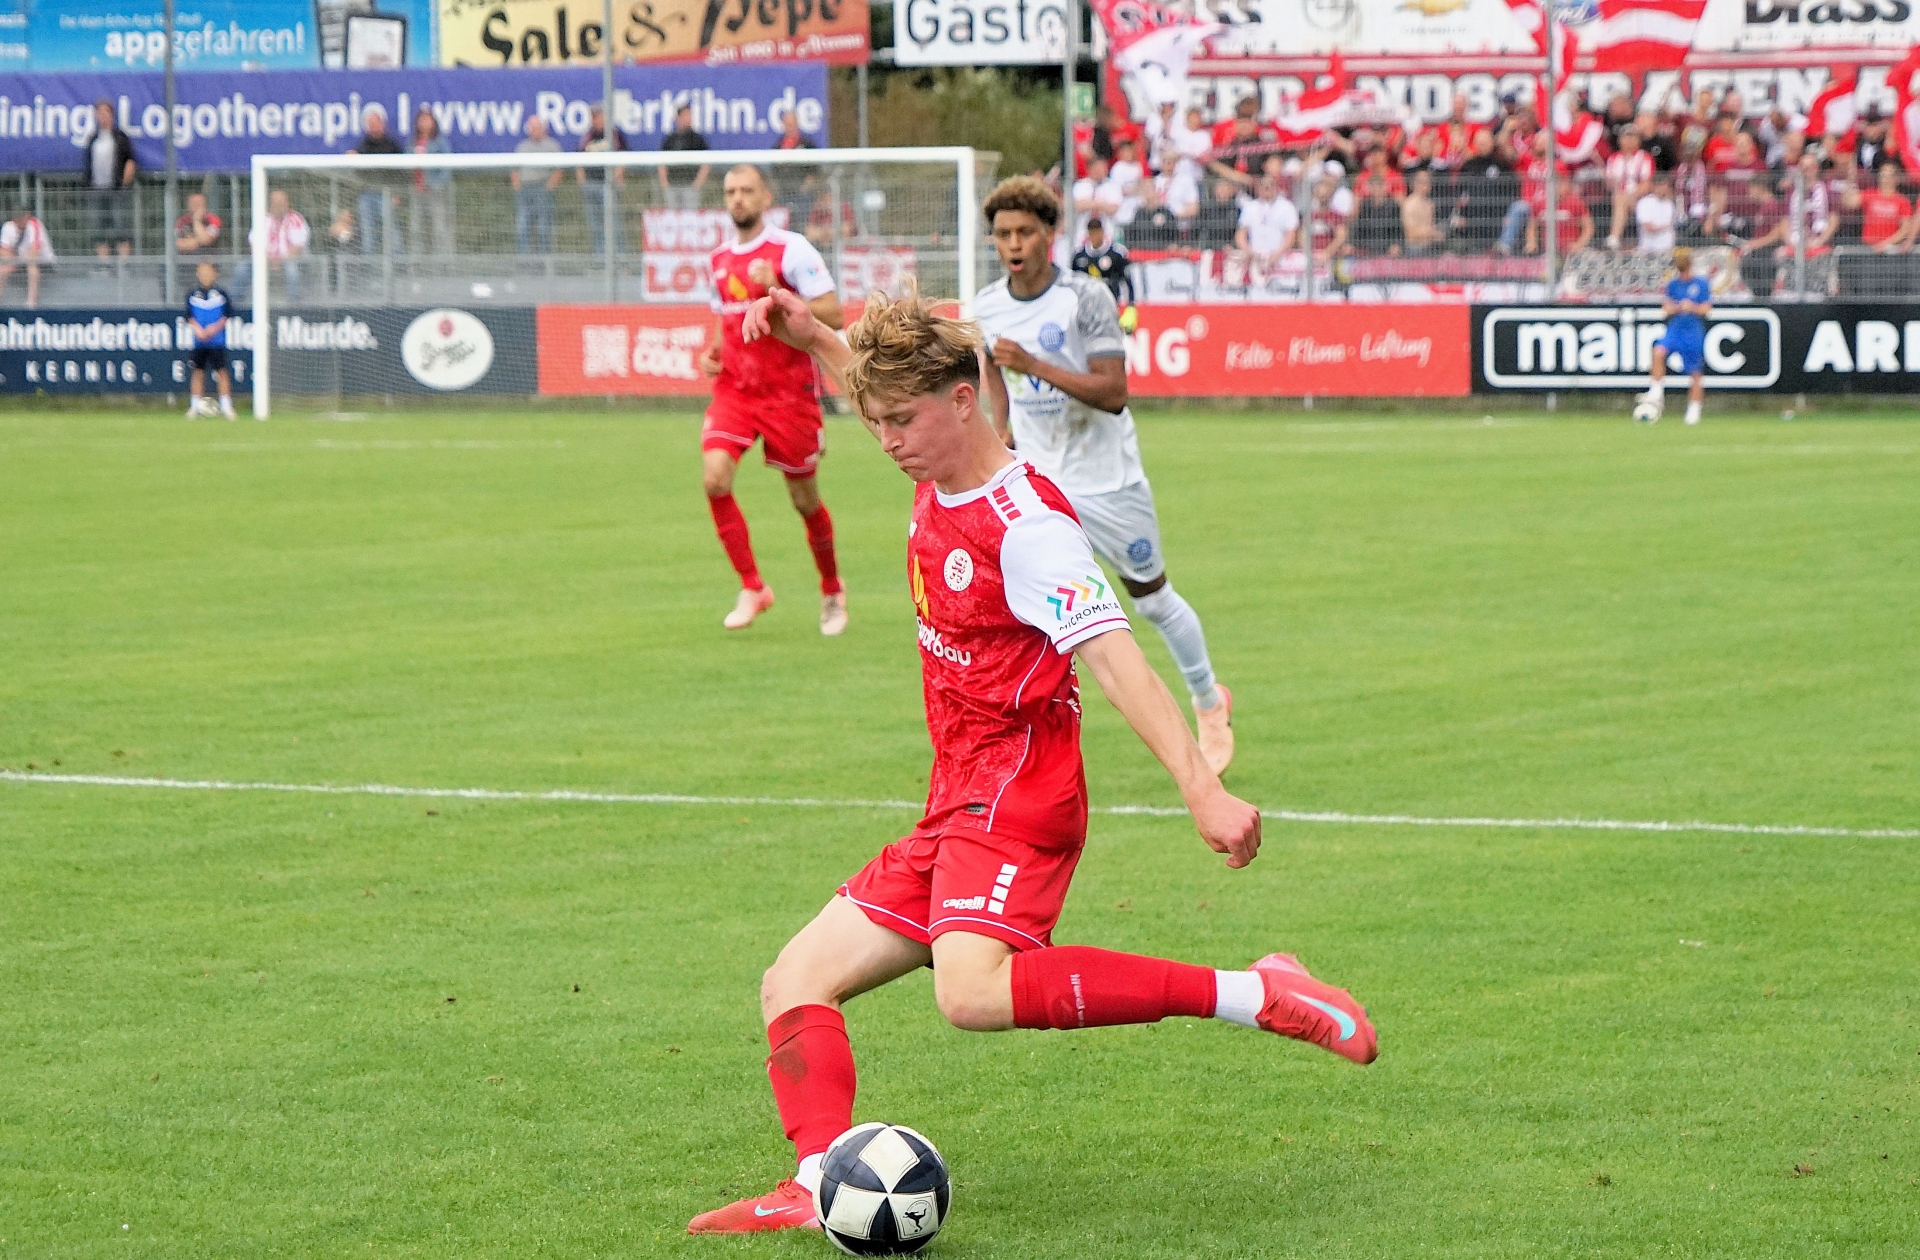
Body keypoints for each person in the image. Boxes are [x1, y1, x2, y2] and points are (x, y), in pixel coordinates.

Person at [682, 284, 1376, 1236]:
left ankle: (1259, 992)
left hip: (1019, 794)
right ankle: (817, 1181)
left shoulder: (1028, 530)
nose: (885, 440)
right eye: (876, 420)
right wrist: (815, 337)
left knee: (969, 993)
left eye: (901, 421)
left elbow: (1116, 658)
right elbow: (879, 387)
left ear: (964, 399)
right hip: (955, 800)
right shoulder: (938, 465)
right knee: (793, 979)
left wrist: (1203, 789)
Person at [974, 177, 1237, 774]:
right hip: (1038, 482)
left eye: (1025, 232)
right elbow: (994, 368)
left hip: (1106, 477)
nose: (1013, 244)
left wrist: (1034, 364)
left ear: (1049, 234)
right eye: (1003, 234)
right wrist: (1002, 427)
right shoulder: (986, 305)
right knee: (1023, 608)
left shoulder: (1085, 299)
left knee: (1153, 600)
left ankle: (1208, 700)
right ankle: (1024, 741)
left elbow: (1114, 393)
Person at [697, 165, 848, 634]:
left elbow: (833, 312)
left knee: (804, 500)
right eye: (730, 192)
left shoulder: (791, 250)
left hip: (789, 394)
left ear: (766, 198)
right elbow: (726, 318)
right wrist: (714, 353)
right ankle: (752, 587)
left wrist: (776, 289)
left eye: (746, 190)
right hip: (736, 391)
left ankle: (831, 590)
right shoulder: (718, 260)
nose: (737, 199)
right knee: (715, 479)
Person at [1636, 246, 1711, 426]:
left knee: (1695, 373)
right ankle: (1656, 391)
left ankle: (1694, 410)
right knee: (1658, 352)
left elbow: (1706, 309)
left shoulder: (1701, 284)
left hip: (1692, 331)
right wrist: (1678, 307)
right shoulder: (1673, 284)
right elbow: (1666, 308)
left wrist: (1692, 307)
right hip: (1675, 329)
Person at [81, 99, 136, 258]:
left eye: (105, 112)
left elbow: (130, 160)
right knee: (98, 229)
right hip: (96, 189)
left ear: (111, 115)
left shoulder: (120, 137)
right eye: (99, 113)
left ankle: (124, 266)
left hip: (115, 189)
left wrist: (124, 180)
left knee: (121, 227)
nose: (102, 116)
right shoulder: (93, 138)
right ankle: (104, 264)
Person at [184, 260, 237, 420]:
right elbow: (189, 316)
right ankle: (194, 406)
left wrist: (213, 329)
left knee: (221, 371)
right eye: (202, 272)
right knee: (198, 372)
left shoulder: (221, 294)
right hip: (199, 341)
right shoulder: (192, 294)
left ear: (214, 274)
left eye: (208, 272)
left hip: (216, 341)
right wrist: (198, 330)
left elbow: (226, 316)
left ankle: (226, 406)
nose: (205, 275)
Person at [348, 109, 403, 253]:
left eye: (375, 123)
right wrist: (353, 159)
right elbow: (358, 172)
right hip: (366, 194)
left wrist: (396, 193)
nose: (373, 126)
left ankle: (399, 259)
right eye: (370, 124)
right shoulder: (362, 145)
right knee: (367, 230)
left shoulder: (392, 145)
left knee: (391, 228)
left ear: (382, 124)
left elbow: (400, 172)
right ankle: (368, 260)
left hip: (386, 194)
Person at [576, 103, 629, 254]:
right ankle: (600, 258)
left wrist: (615, 177)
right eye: (594, 117)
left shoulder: (614, 135)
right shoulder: (587, 136)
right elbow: (579, 160)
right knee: (595, 224)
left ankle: (620, 256)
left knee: (615, 223)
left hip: (609, 185)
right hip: (591, 185)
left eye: (599, 116)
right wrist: (582, 182)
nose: (597, 119)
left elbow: (624, 158)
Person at [512, 117, 563, 254]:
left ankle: (544, 260)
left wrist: (548, 187)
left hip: (542, 189)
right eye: (531, 128)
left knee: (544, 226)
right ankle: (525, 261)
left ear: (543, 129)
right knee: (522, 225)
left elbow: (558, 169)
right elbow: (514, 169)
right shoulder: (522, 147)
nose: (534, 131)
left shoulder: (552, 146)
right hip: (525, 190)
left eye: (536, 128)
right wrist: (517, 187)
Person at [408, 107, 454, 256]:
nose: (425, 123)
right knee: (416, 227)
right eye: (422, 120)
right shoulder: (412, 143)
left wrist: (437, 184)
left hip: (435, 191)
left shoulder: (440, 142)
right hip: (417, 190)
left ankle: (442, 260)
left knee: (439, 227)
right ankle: (416, 260)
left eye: (428, 119)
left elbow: (447, 167)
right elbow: (405, 162)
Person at [248, 189, 309, 301]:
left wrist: (279, 261)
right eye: (275, 202)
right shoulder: (262, 220)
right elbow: (254, 244)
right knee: (242, 267)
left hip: (293, 260)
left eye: (281, 202)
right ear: (270, 203)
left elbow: (297, 247)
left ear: (287, 203)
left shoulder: (296, 219)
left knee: (291, 269)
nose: (279, 205)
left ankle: (293, 304)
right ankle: (234, 303)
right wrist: (267, 260)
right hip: (266, 260)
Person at [1071, 217, 1134, 309]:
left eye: (1097, 233)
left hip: (1111, 304)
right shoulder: (1079, 256)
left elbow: (1127, 281)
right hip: (1086, 305)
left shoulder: (1116, 254)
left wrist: (1131, 306)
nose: (1094, 237)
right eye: (1092, 233)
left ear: (1102, 232)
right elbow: (1073, 283)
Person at [0, 204, 54, 308]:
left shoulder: (35, 225)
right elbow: (3, 251)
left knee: (32, 266)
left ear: (27, 216)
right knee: (2, 269)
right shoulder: (8, 227)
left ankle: (31, 302)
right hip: (19, 261)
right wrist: (12, 261)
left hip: (42, 262)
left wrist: (16, 258)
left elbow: (34, 252)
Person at [658, 104, 709, 210]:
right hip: (672, 186)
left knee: (690, 216)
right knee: (672, 215)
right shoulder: (670, 139)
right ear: (678, 117)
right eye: (686, 115)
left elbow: (706, 163)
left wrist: (697, 184)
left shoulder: (697, 139)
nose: (689, 118)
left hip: (690, 186)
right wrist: (665, 183)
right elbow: (662, 163)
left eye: (690, 115)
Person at [1634, 174, 1679, 254]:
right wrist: (1666, 227)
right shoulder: (1644, 203)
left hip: (1668, 249)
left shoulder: (1669, 204)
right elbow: (1647, 227)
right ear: (1654, 186)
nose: (1664, 189)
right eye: (1661, 186)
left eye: (1666, 186)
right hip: (1649, 251)